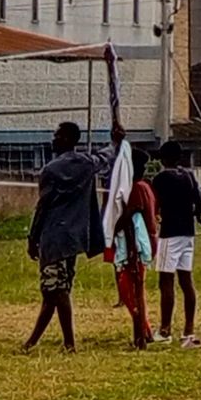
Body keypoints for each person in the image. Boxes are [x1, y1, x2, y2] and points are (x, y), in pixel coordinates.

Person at [24, 116, 123, 354]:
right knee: (53, 290)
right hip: (74, 237)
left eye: (57, 135)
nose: (53, 139)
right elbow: (107, 156)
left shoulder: (51, 170)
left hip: (53, 236)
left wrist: (32, 237)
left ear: (67, 138)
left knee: (57, 291)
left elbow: (43, 206)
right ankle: (31, 342)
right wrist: (116, 141)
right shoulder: (87, 163)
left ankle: (69, 343)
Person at [151, 139, 201, 347]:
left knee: (166, 281)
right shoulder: (189, 176)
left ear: (162, 158)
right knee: (186, 281)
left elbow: (154, 203)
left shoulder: (161, 178)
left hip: (169, 233)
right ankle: (188, 331)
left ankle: (165, 330)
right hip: (188, 233)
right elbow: (199, 206)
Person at [113, 164, 157, 349]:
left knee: (131, 290)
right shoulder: (145, 186)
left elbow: (133, 218)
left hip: (136, 248)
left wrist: (114, 229)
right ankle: (144, 331)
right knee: (135, 290)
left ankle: (142, 333)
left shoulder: (136, 189)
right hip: (141, 244)